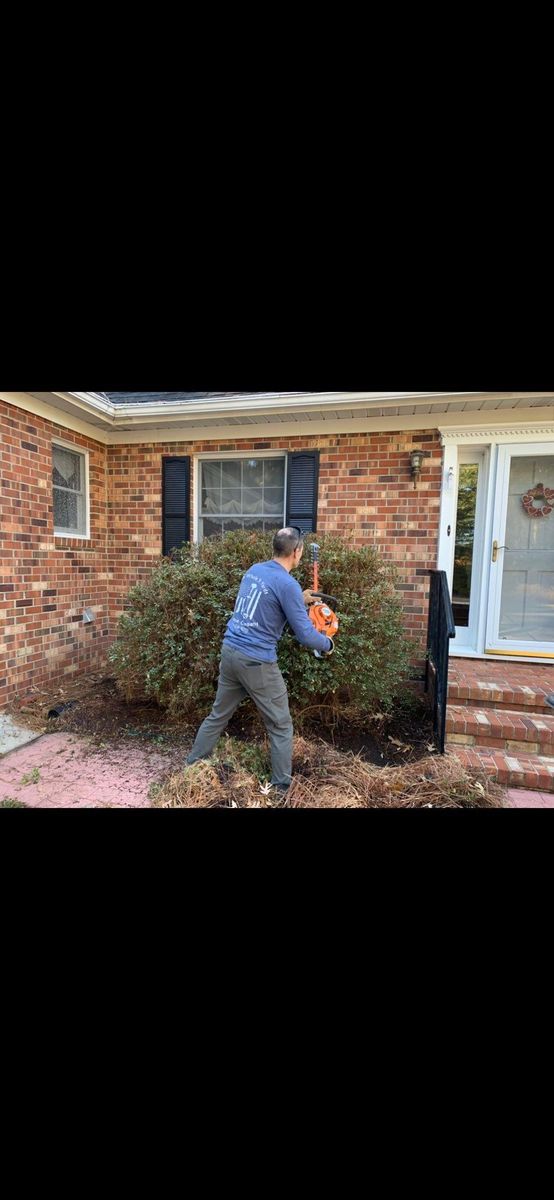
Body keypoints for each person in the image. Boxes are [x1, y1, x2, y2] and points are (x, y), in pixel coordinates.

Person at [185, 527, 335, 796]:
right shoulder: (287, 584)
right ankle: (280, 789)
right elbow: (305, 635)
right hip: (257, 662)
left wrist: (299, 599)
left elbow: (266, 603)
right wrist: (328, 644)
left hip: (231, 652)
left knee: (218, 715)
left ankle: (192, 767)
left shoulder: (256, 570)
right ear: (297, 552)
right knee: (280, 725)